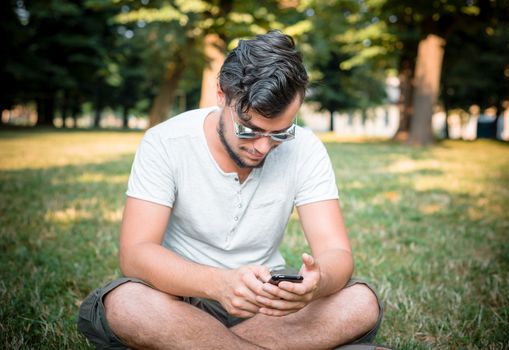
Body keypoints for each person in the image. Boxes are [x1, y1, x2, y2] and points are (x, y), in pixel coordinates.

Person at [78, 30, 383, 350]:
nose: (263, 146)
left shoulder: (306, 148)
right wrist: (218, 283)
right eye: (249, 130)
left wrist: (316, 285)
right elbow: (136, 253)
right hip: (181, 299)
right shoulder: (166, 142)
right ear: (221, 95)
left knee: (360, 302)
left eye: (280, 133)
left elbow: (337, 253)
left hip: (266, 303)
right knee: (128, 303)